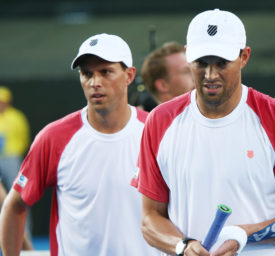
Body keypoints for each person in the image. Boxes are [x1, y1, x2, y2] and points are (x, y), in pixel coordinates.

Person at [135, 9, 275, 256]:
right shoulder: (159, 121)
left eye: (222, 63)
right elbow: (150, 219)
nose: (211, 75)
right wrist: (182, 246)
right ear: (188, 55)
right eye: (201, 63)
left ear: (244, 57)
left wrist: (243, 234)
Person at [0, 33, 159, 256]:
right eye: (86, 73)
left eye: (106, 72)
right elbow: (14, 205)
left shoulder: (157, 132)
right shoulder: (54, 137)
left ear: (129, 75)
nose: (95, 82)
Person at [140, 43, 275, 109]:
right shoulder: (146, 132)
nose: (202, 73)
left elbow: (258, 129)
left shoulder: (213, 116)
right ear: (162, 85)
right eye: (187, 70)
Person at [0, 86, 33, 251]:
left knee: (19, 195)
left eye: (3, 101)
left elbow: (24, 136)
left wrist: (16, 153)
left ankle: (24, 236)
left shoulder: (16, 118)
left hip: (12, 158)